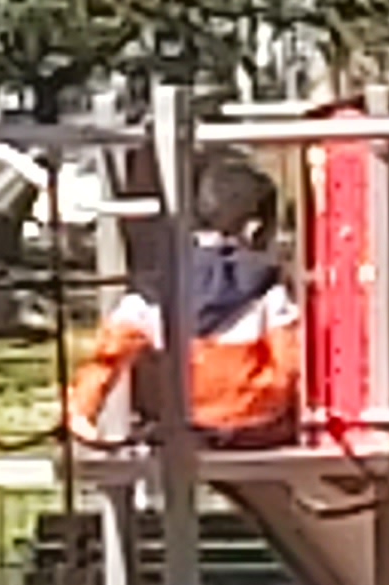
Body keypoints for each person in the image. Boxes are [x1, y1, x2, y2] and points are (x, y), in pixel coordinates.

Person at [67, 151, 304, 453]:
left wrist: (82, 410)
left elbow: (109, 355)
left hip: (183, 419)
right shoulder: (266, 286)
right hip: (256, 418)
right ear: (254, 228)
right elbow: (289, 362)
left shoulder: (155, 285)